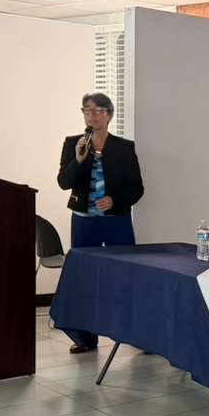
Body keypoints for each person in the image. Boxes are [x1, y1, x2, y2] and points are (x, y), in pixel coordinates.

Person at [57, 93, 144, 353]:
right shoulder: (73, 143)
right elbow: (64, 182)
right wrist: (78, 159)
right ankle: (85, 339)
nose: (91, 116)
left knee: (127, 276)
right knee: (85, 278)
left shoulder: (124, 147)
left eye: (97, 111)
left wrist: (114, 200)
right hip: (84, 222)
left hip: (117, 221)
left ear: (109, 114)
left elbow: (137, 188)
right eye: (86, 111)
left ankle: (139, 336)